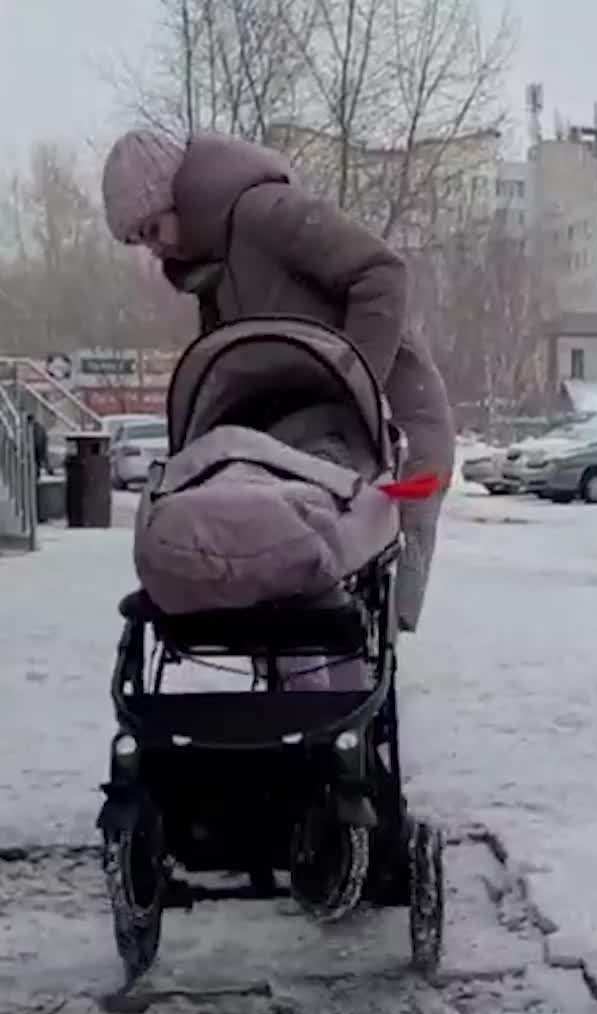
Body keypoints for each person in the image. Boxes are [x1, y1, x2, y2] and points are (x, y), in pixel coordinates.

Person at [99, 129, 453, 639]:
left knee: (356, 593)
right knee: (293, 577)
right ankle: (312, 700)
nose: (155, 250)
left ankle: (339, 705)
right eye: (141, 242)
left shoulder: (266, 213)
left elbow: (383, 273)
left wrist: (355, 387)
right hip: (312, 431)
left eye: (153, 230)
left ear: (177, 197)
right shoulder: (213, 271)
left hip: (395, 417)